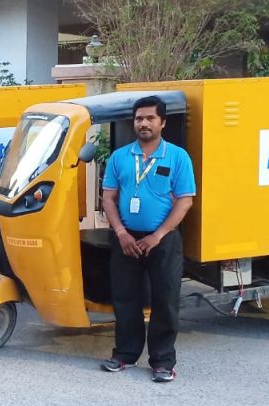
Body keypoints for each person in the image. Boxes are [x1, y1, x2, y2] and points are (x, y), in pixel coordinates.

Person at [99, 95, 196, 383]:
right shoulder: (120, 157)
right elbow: (108, 198)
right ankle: (125, 354)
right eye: (139, 118)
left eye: (150, 118)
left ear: (162, 122)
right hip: (125, 239)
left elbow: (184, 201)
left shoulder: (177, 157)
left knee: (165, 301)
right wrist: (121, 233)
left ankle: (163, 362)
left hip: (163, 241)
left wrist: (157, 235)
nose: (143, 123)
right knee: (125, 298)